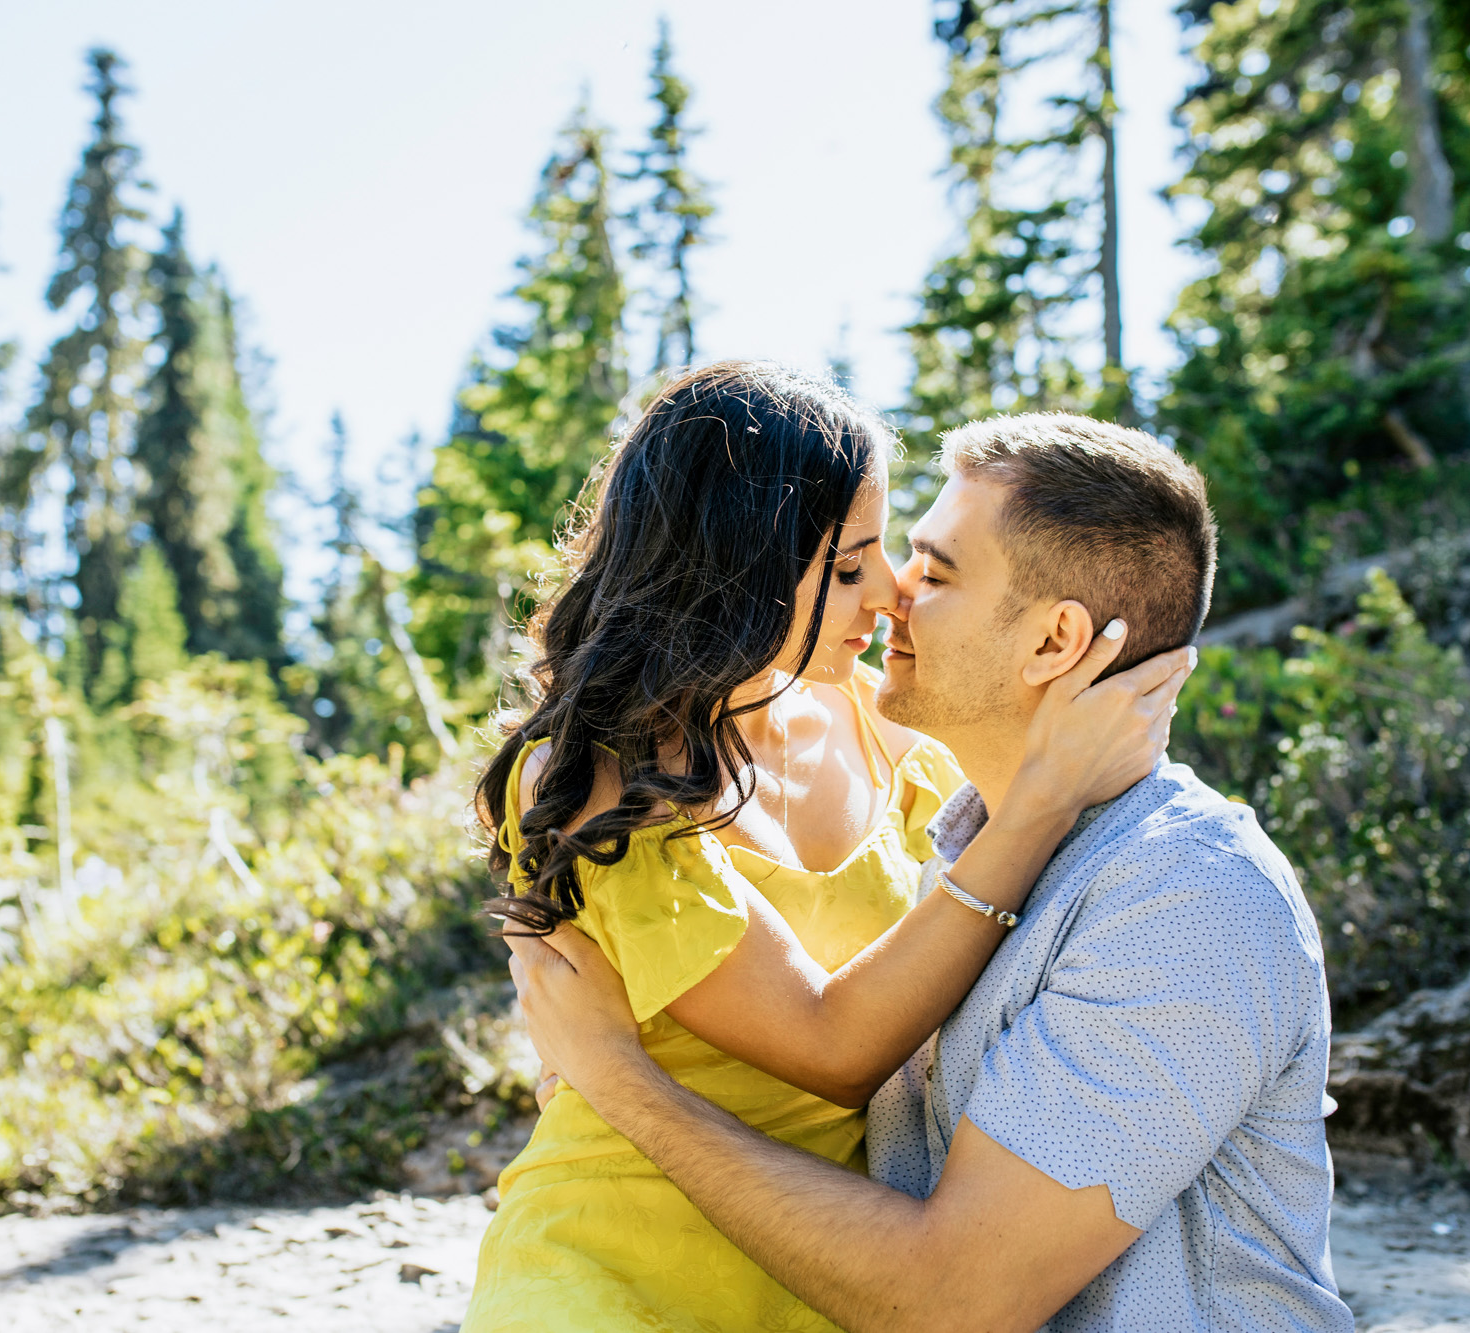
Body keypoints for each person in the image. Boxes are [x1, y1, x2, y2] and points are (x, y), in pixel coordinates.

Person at [506, 412, 1355, 1333]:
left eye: (932, 570)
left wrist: (625, 1082)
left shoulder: (1181, 900)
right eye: (863, 563)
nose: (891, 594)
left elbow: (951, 1296)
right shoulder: (962, 844)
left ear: (1053, 640)